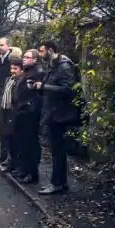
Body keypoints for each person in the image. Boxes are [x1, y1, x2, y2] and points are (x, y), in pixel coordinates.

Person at [33, 40, 78, 195]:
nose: (40, 54)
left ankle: (57, 183)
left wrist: (44, 87)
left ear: (50, 50)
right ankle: (60, 182)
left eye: (42, 51)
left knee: (58, 150)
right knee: (56, 150)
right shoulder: (53, 65)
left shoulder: (64, 66)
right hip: (53, 112)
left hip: (60, 115)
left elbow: (68, 89)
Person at [11, 49, 44, 183]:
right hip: (21, 111)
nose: (24, 59)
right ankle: (23, 168)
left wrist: (29, 107)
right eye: (24, 56)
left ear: (35, 60)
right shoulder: (26, 72)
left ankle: (32, 172)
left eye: (28, 57)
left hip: (30, 113)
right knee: (22, 142)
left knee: (31, 143)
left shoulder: (37, 73)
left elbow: (36, 95)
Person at [0, 57, 24, 172]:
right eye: (11, 68)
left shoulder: (21, 81)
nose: (13, 70)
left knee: (14, 140)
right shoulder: (8, 79)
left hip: (13, 113)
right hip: (5, 112)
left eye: (16, 68)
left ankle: (14, 164)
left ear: (21, 70)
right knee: (7, 138)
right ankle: (9, 161)